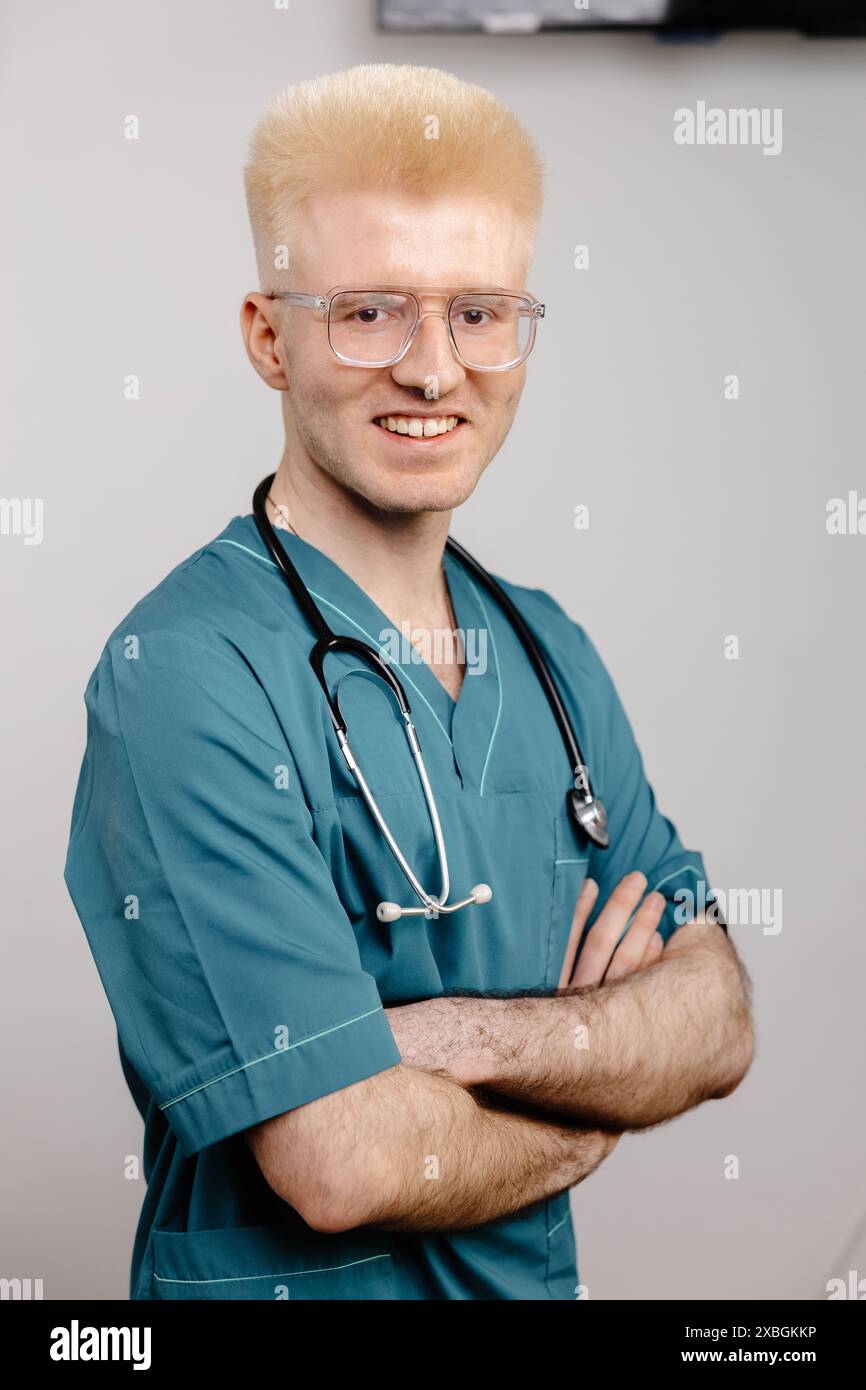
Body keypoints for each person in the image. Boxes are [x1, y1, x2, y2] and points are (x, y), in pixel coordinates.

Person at [64, 63, 753, 1302]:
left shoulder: (547, 658)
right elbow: (341, 1159)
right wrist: (590, 1112)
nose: (435, 372)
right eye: (370, 311)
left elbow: (713, 1019)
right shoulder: (182, 675)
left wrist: (446, 1040)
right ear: (269, 338)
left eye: (480, 313)